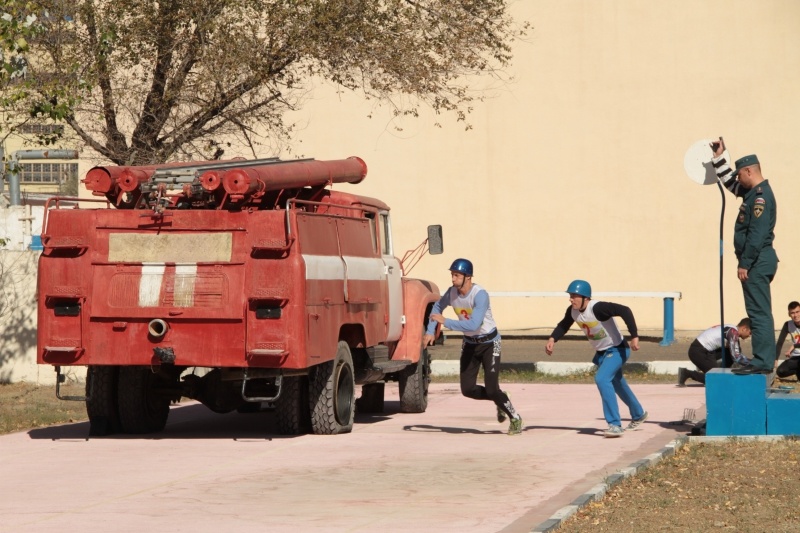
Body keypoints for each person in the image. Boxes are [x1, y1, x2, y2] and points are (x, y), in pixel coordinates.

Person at [422, 258, 523, 435]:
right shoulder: (452, 292)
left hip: (490, 343)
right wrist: (430, 331)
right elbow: (437, 307)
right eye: (452, 275)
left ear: (467, 277)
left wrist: (445, 322)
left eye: (456, 275)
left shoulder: (480, 295)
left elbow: (474, 325)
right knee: (467, 389)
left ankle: (514, 417)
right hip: (470, 344)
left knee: (492, 388)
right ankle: (501, 399)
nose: (452, 279)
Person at [544, 280, 648, 438]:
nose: (571, 299)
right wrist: (552, 339)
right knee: (617, 383)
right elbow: (564, 325)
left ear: (586, 297)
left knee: (602, 379)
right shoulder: (573, 311)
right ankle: (638, 413)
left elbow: (625, 310)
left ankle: (614, 424)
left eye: (574, 296)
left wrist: (634, 336)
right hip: (602, 353)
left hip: (617, 349)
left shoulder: (598, 308)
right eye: (570, 296)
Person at [712, 139, 778, 375]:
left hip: (757, 261)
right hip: (758, 261)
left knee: (758, 312)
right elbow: (732, 185)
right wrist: (720, 158)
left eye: (740, 174)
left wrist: (745, 263)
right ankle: (763, 359)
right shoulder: (753, 193)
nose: (738, 179)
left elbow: (757, 235)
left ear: (750, 171)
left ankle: (763, 361)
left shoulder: (760, 197)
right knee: (758, 310)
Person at [678, 318, 752, 386]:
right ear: (744, 328)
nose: (749, 335)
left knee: (735, 350)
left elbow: (737, 353)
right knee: (717, 380)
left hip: (708, 351)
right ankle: (686, 373)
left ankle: (720, 372)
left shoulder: (732, 329)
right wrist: (754, 363)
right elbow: (737, 357)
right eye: (750, 332)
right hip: (697, 351)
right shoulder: (732, 332)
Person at [775, 301, 800, 381]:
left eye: (797, 312)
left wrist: (794, 346)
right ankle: (797, 371)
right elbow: (780, 343)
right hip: (796, 357)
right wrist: (775, 359)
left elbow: (795, 345)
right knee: (780, 371)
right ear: (789, 314)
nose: (795, 315)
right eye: (792, 313)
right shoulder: (787, 325)